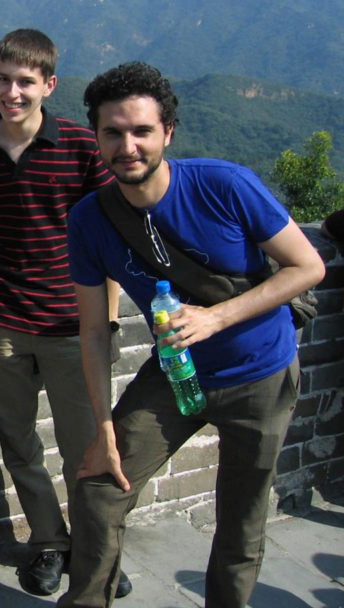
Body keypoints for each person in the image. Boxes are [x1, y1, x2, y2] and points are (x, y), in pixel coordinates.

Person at [60, 62, 325, 607]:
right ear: (96, 137)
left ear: (168, 133)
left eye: (141, 131)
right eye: (112, 132)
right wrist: (103, 427)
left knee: (241, 518)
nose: (127, 146)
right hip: (177, 375)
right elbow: (92, 329)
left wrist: (216, 317)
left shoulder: (223, 185)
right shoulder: (90, 219)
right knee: (100, 488)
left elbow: (307, 267)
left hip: (260, 372)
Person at [0, 29, 129, 598]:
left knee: (86, 446)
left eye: (25, 82)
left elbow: (111, 229)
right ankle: (49, 542)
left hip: (68, 323)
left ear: (48, 85)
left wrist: (108, 315)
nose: (13, 92)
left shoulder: (79, 145)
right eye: (4, 79)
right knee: (19, 441)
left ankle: (97, 553)